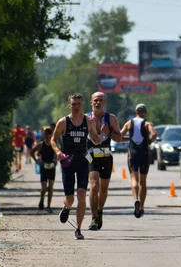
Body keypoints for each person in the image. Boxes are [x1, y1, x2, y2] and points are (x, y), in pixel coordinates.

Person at [51, 93, 101, 240]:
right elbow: (53, 140)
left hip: (83, 161)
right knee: (71, 199)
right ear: (70, 105)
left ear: (83, 105)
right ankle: (66, 208)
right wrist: (58, 152)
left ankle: (78, 229)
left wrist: (99, 137)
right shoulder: (63, 122)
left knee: (81, 194)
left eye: (79, 104)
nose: (76, 106)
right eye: (74, 104)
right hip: (68, 161)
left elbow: (95, 138)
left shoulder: (90, 121)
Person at [86, 92, 122, 231]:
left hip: (106, 156)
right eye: (95, 100)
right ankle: (94, 217)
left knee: (103, 189)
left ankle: (100, 210)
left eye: (100, 100)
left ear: (104, 103)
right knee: (94, 185)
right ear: (91, 103)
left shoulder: (111, 118)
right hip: (91, 156)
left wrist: (109, 133)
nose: (97, 103)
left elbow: (119, 138)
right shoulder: (86, 118)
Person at [120, 104, 157, 218]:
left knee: (134, 180)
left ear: (135, 112)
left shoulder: (128, 123)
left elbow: (119, 137)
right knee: (143, 182)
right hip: (145, 154)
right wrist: (149, 141)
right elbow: (154, 134)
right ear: (144, 113)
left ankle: (136, 198)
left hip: (133, 154)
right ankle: (141, 207)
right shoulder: (147, 124)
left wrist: (129, 138)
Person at [31, 127, 56, 213]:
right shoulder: (41, 145)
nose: (48, 138)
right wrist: (37, 161)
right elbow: (32, 152)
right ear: (44, 136)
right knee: (44, 187)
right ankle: (42, 199)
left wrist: (57, 160)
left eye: (50, 136)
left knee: (51, 187)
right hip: (44, 167)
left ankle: (49, 206)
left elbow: (60, 153)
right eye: (47, 136)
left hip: (52, 168)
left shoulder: (54, 145)